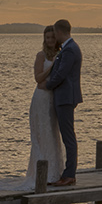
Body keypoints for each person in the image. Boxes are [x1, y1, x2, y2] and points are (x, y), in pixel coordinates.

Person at [43, 18, 83, 187]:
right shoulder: (68, 48)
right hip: (65, 96)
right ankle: (67, 173)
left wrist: (47, 86)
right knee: (67, 135)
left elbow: (61, 74)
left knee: (68, 136)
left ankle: (69, 174)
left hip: (66, 97)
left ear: (59, 32)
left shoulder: (70, 50)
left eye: (56, 34)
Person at [26, 26, 66, 184]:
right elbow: (38, 78)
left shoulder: (61, 54)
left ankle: (55, 172)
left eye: (52, 38)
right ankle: (42, 173)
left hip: (53, 97)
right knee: (42, 133)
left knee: (52, 132)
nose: (50, 41)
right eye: (47, 38)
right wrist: (50, 68)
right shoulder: (41, 55)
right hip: (41, 98)